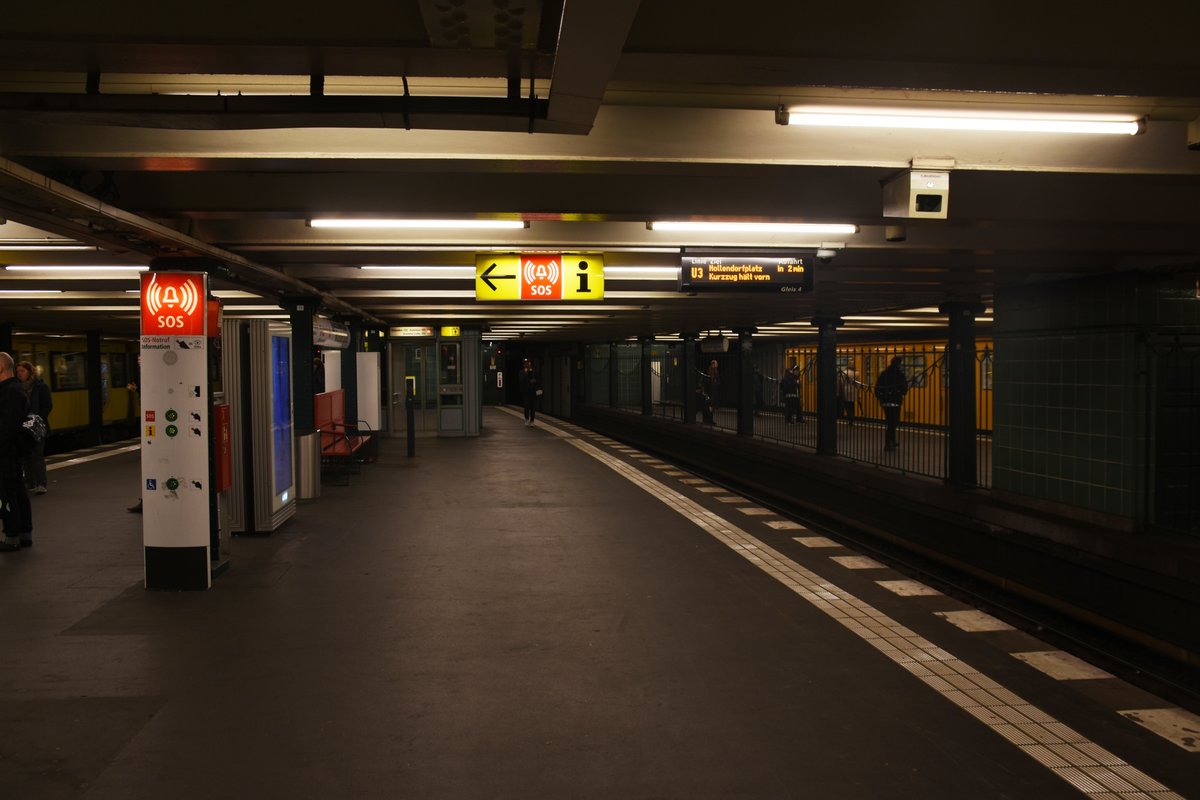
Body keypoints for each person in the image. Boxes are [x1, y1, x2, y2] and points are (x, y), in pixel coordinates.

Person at [0, 352, 34, 551]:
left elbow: (7, 426)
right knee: (18, 491)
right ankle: (24, 533)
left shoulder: (10, 391)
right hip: (12, 451)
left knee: (7, 494)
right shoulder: (14, 389)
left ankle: (12, 536)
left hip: (6, 452)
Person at [16, 361, 52, 494]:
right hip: (23, 427)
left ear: (30, 372)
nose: (19, 374)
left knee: (37, 454)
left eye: (22, 371)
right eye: (18, 371)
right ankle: (29, 482)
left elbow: (47, 405)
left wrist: (38, 419)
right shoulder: (17, 388)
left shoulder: (41, 387)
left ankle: (41, 483)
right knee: (25, 455)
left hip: (37, 426)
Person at [874, 356, 909, 450]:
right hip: (895, 402)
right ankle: (888, 443)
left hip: (885, 402)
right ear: (899, 364)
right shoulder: (900, 375)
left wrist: (881, 398)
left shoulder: (884, 374)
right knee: (893, 423)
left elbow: (877, 388)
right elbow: (904, 390)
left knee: (889, 422)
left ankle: (891, 441)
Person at [518, 359, 540, 427]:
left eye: (528, 363)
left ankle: (532, 421)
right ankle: (527, 419)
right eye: (525, 364)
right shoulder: (521, 372)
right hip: (525, 392)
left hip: (533, 391)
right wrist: (525, 373)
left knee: (533, 407)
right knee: (526, 406)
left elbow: (538, 380)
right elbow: (521, 380)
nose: (527, 365)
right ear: (523, 365)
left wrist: (535, 381)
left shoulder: (534, 371)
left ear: (530, 363)